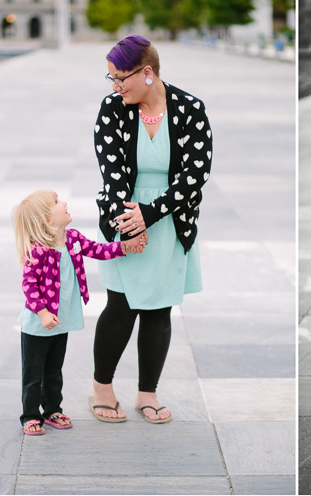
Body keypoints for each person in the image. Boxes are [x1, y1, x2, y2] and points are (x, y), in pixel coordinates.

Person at [91, 35, 213, 423]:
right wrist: (130, 227)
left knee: (160, 309)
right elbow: (112, 176)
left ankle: (148, 393)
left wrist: (150, 214)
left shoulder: (190, 109)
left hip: (170, 220)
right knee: (121, 306)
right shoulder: (112, 110)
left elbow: (195, 177)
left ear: (147, 73)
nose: (115, 86)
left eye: (120, 78)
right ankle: (102, 389)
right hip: (123, 215)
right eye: (110, 78)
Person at [12, 189, 126, 436]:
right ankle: (30, 415)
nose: (63, 202)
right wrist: (43, 313)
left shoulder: (72, 238)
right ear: (46, 219)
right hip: (38, 325)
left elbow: (98, 250)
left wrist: (124, 247)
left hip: (60, 321)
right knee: (33, 375)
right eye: (56, 202)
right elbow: (29, 286)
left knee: (54, 372)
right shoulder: (38, 250)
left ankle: (52, 410)